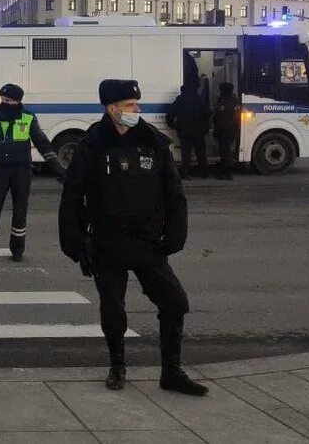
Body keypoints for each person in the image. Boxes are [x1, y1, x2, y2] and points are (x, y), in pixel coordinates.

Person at [58, 79, 208, 397]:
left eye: (136, 105)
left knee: (175, 303)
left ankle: (171, 372)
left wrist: (175, 235)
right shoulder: (92, 146)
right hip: (107, 243)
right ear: (112, 109)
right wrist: (75, 245)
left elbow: (174, 193)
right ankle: (117, 365)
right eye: (129, 105)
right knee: (113, 311)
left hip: (148, 243)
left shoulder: (154, 143)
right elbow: (72, 197)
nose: (136, 110)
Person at [0, 83, 64, 264]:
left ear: (17, 101)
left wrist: (57, 168)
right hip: (0, 171)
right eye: (2, 99)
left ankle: (17, 249)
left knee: (20, 211)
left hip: (22, 170)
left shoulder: (28, 118)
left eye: (8, 100)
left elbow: (43, 144)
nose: (4, 103)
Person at [165, 83, 211, 180]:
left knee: (186, 153)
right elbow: (208, 113)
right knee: (201, 152)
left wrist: (174, 126)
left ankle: (185, 173)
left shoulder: (180, 100)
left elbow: (170, 115)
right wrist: (205, 127)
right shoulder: (199, 100)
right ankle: (204, 172)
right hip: (199, 131)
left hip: (184, 131)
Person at [212, 82, 240, 180]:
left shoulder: (227, 101)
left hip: (226, 130)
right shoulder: (232, 100)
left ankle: (226, 174)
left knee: (226, 152)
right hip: (227, 130)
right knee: (224, 151)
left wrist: (217, 129)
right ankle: (223, 171)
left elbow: (221, 117)